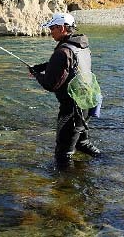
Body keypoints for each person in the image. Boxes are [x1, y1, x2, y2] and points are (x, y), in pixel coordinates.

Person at [29, 12, 101, 169]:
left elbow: (50, 84)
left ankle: (65, 189)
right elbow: (67, 66)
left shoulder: (62, 51)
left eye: (52, 28)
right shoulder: (81, 46)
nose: (50, 31)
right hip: (87, 104)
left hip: (71, 110)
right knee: (82, 143)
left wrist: (36, 75)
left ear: (62, 28)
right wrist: (40, 68)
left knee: (63, 154)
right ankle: (104, 163)